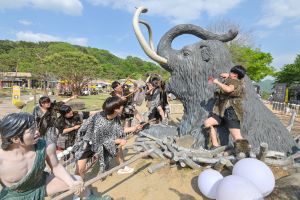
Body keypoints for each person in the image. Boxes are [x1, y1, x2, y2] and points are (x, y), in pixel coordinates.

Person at [0, 112, 84, 199]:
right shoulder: (1, 160)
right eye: (31, 131)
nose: (37, 132)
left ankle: (88, 196)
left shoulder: (46, 147)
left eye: (35, 127)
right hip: (15, 195)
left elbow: (56, 166)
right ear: (16, 139)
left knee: (77, 180)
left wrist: (71, 183)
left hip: (39, 184)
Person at [74, 96, 143, 181]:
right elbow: (98, 140)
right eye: (121, 106)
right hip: (87, 143)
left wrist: (134, 128)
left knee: (117, 146)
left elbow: (119, 130)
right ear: (115, 109)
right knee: (80, 170)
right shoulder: (100, 120)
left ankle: (121, 167)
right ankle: (77, 190)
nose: (123, 107)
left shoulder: (115, 116)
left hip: (102, 141)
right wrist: (118, 140)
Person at [204, 65, 250, 153]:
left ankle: (245, 155)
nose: (230, 73)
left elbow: (228, 89)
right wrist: (228, 76)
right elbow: (228, 79)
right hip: (222, 112)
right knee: (207, 123)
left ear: (235, 75)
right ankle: (215, 146)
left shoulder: (236, 82)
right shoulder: (233, 79)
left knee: (237, 137)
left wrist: (217, 82)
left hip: (231, 112)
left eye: (232, 72)